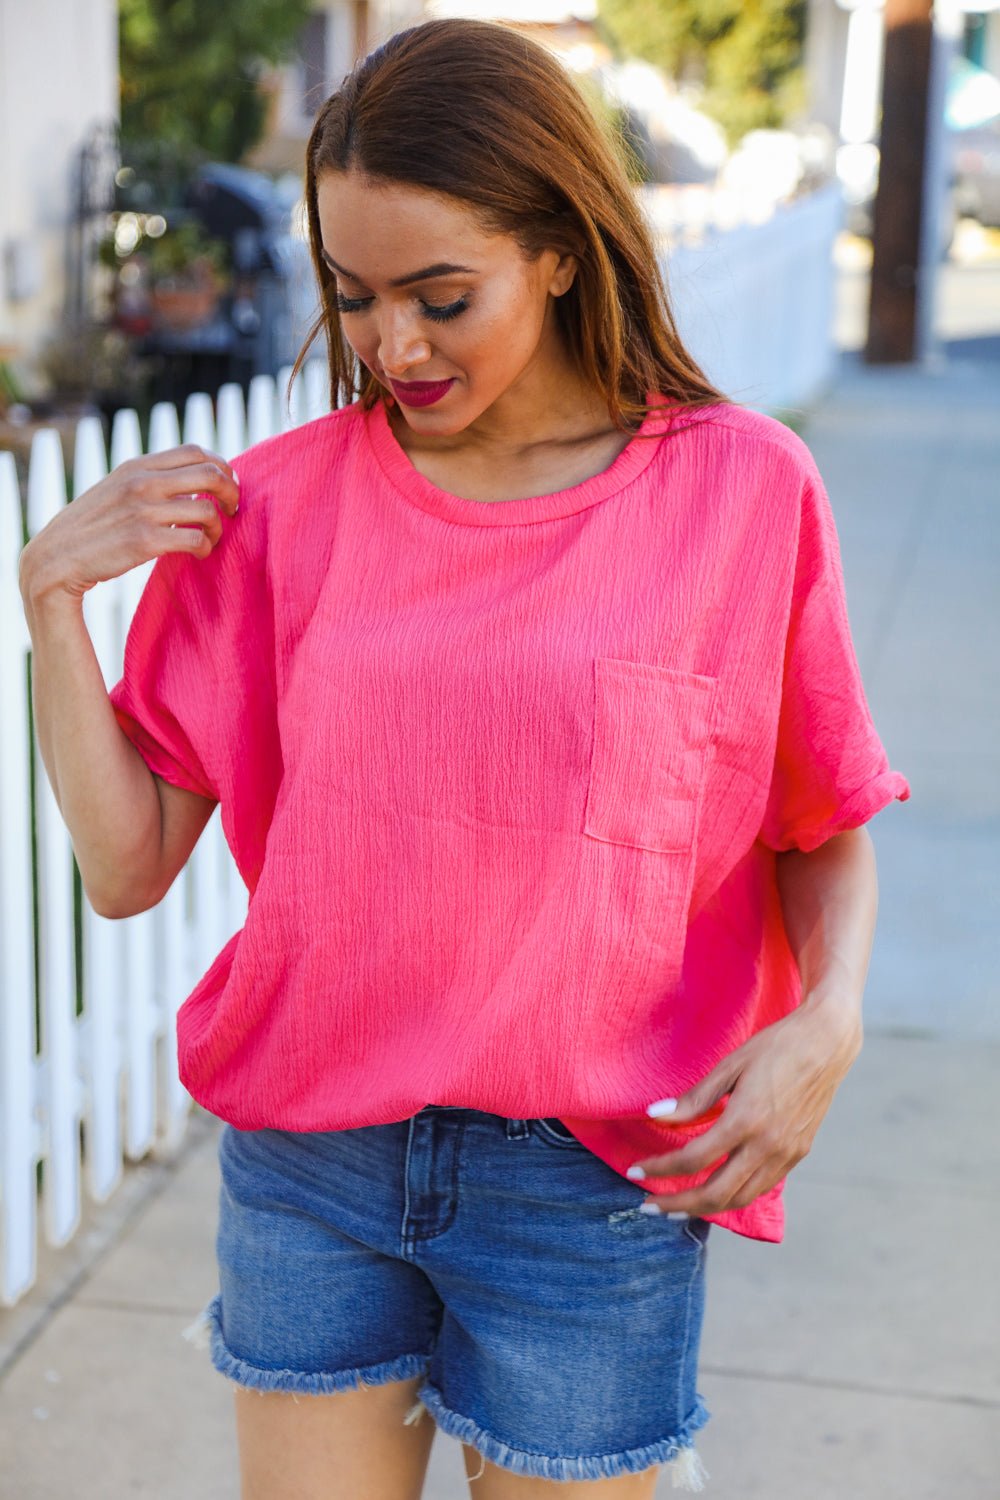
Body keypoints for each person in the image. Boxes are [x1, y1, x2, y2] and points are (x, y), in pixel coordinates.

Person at [18, 17, 910, 1499]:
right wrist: (53, 605)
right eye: (357, 298)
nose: (392, 347)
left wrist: (832, 1024)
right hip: (315, 1164)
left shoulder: (743, 493)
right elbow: (125, 868)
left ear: (560, 248)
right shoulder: (278, 512)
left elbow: (817, 816)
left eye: (442, 296)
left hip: (594, 1184)